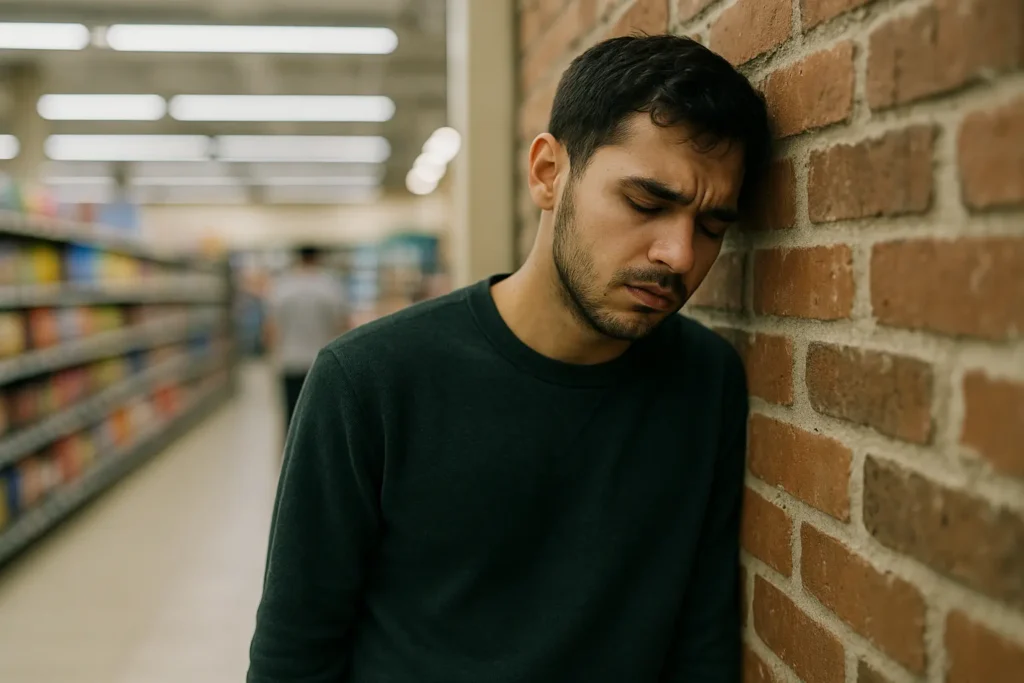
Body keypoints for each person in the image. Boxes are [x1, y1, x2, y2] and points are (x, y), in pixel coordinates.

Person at [248, 34, 771, 683]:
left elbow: (704, 642)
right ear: (549, 173)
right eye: (645, 203)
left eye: (713, 226)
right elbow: (294, 655)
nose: (680, 254)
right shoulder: (370, 382)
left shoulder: (706, 382)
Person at [263, 246, 348, 430]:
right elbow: (342, 325)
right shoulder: (330, 286)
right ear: (317, 259)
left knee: (292, 416)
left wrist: (273, 358)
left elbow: (271, 328)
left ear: (299, 259)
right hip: (322, 363)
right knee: (322, 416)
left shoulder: (283, 286)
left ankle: (292, 456)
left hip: (290, 361)